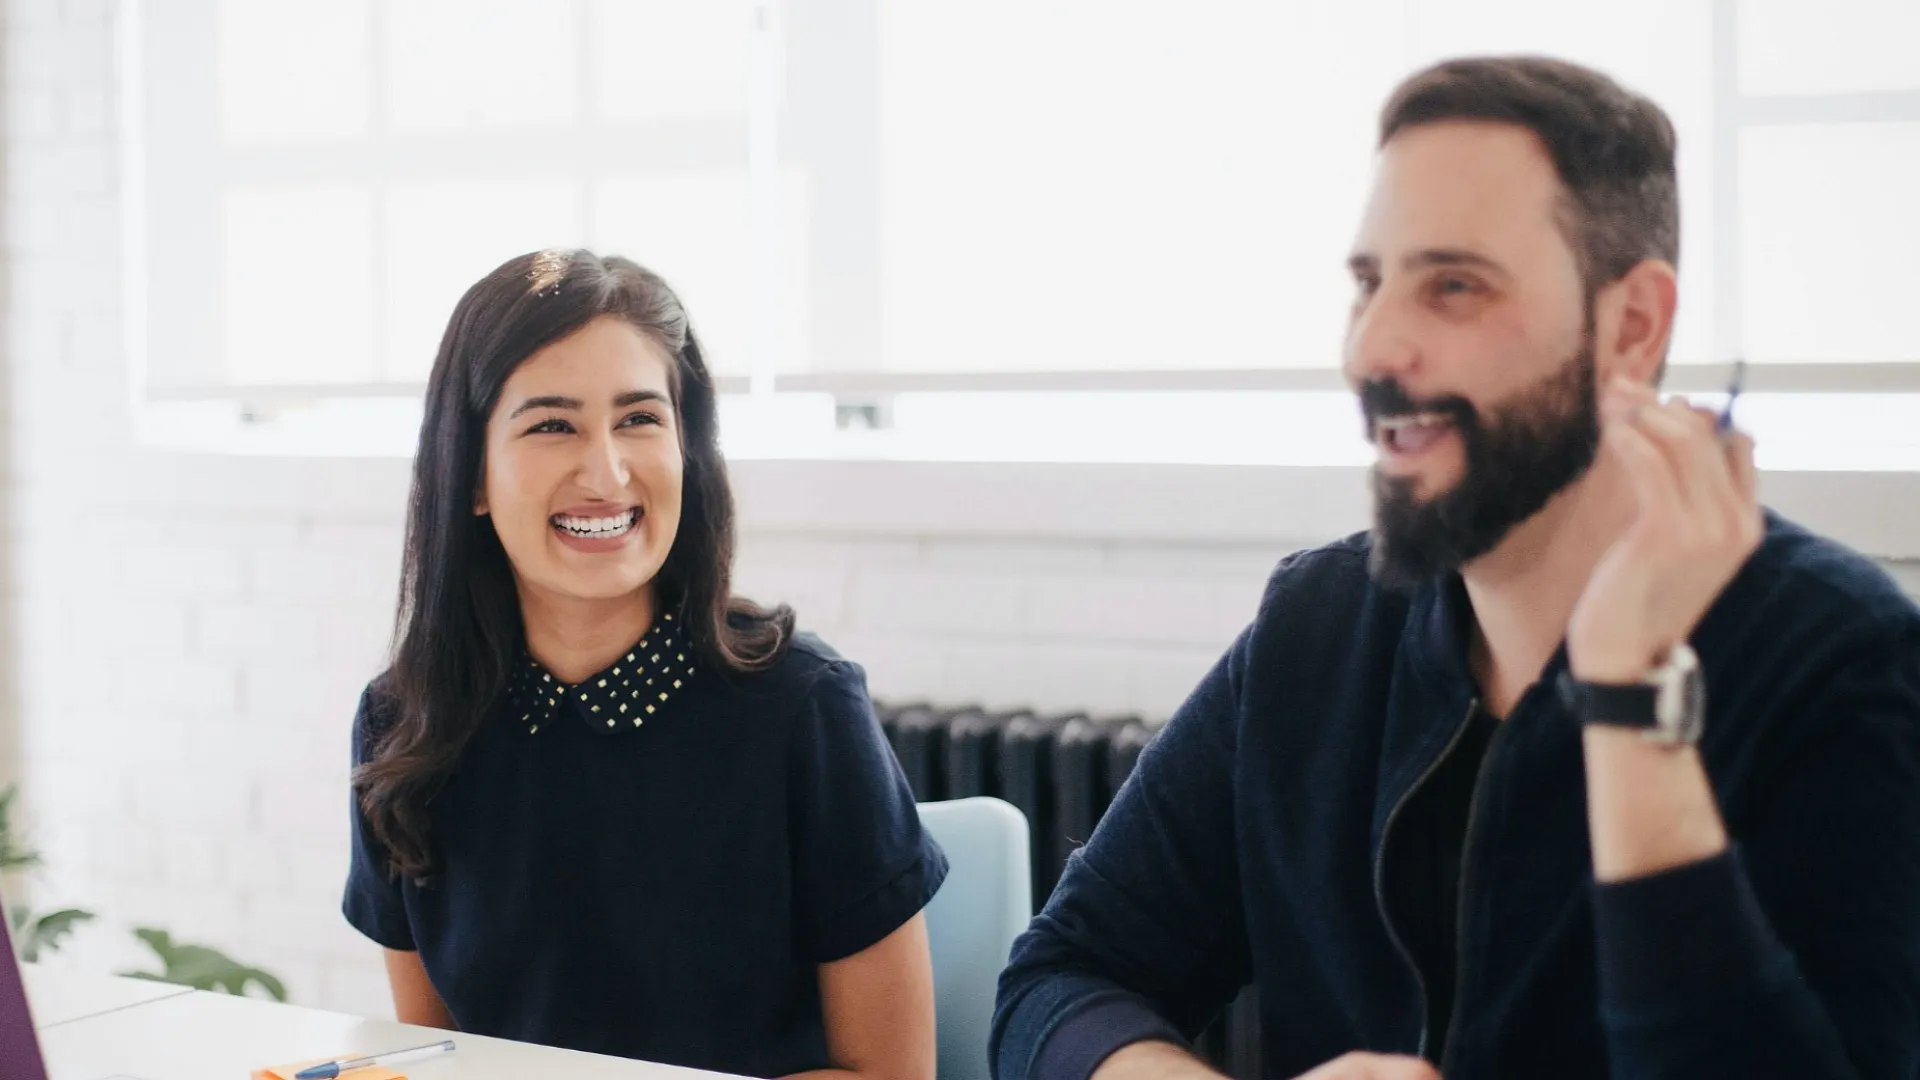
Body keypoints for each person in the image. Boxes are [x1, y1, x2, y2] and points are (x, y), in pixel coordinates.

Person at [992, 56, 1920, 1080]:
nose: (1372, 349)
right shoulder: (1322, 625)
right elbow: (1061, 981)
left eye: (1454, 286)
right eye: (1368, 284)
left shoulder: (1843, 659)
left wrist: (1629, 698)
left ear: (1632, 326)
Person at [343, 249, 946, 1080]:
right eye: (552, 425)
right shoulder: (402, 724)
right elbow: (444, 1060)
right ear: (471, 474)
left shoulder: (802, 708)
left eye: (639, 419)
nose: (606, 472)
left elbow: (891, 1075)